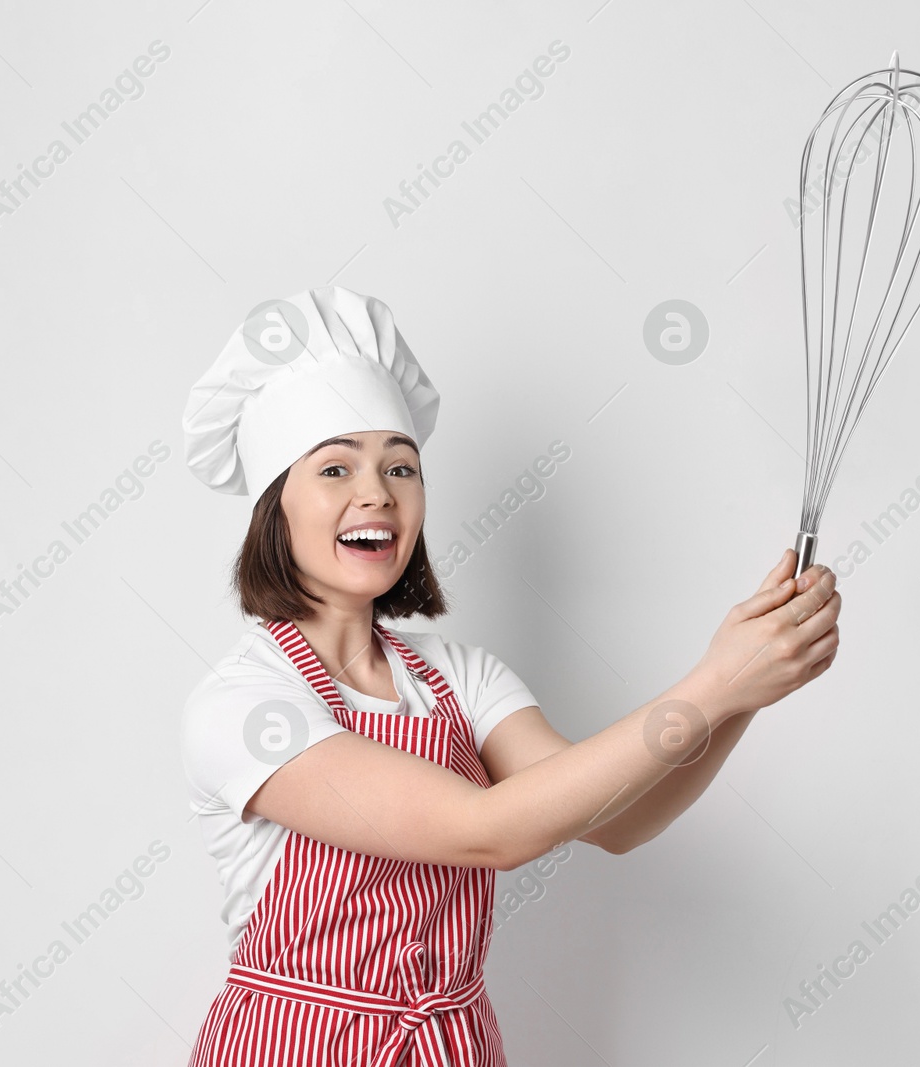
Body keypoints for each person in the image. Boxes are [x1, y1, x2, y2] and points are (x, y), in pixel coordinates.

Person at [178, 285, 841, 1066]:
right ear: (273, 507)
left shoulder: (460, 677)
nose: (376, 493)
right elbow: (483, 830)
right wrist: (717, 682)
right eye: (334, 468)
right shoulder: (247, 705)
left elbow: (617, 818)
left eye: (401, 465)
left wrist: (750, 686)